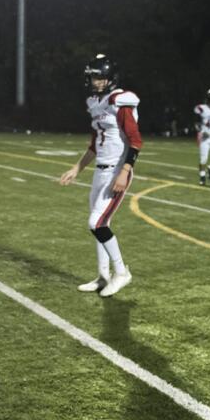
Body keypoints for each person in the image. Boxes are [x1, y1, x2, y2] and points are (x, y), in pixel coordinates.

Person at [58, 54, 142, 297]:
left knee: (97, 223)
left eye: (98, 76)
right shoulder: (97, 102)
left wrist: (124, 172)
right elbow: (95, 143)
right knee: (99, 224)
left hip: (117, 170)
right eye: (92, 76)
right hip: (100, 170)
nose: (94, 81)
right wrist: (77, 168)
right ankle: (103, 276)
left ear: (109, 78)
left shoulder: (120, 100)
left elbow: (136, 141)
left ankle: (121, 272)